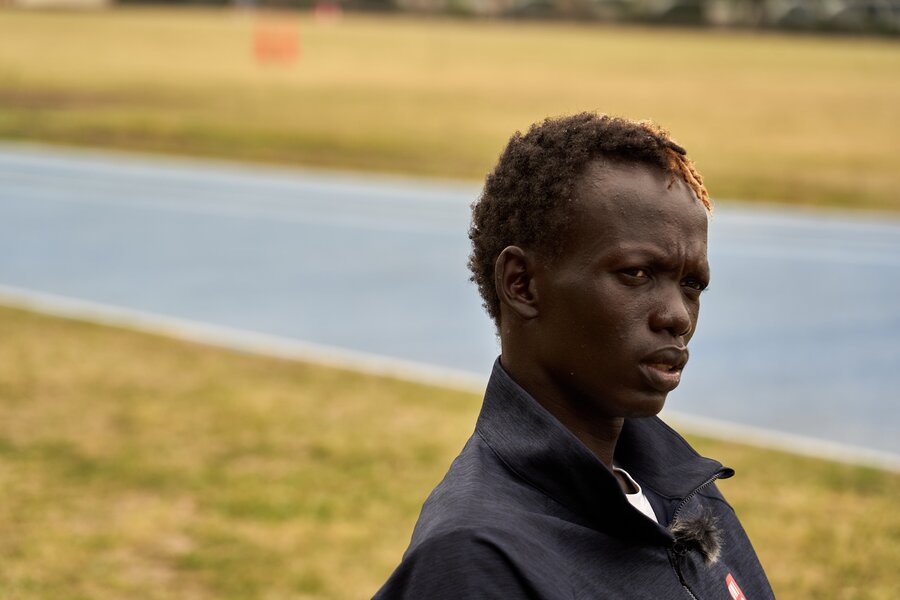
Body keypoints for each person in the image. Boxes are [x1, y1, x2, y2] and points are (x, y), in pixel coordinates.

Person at [373, 113, 774, 599]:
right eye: (637, 274)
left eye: (691, 285)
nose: (678, 317)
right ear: (522, 284)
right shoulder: (475, 558)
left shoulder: (688, 495)